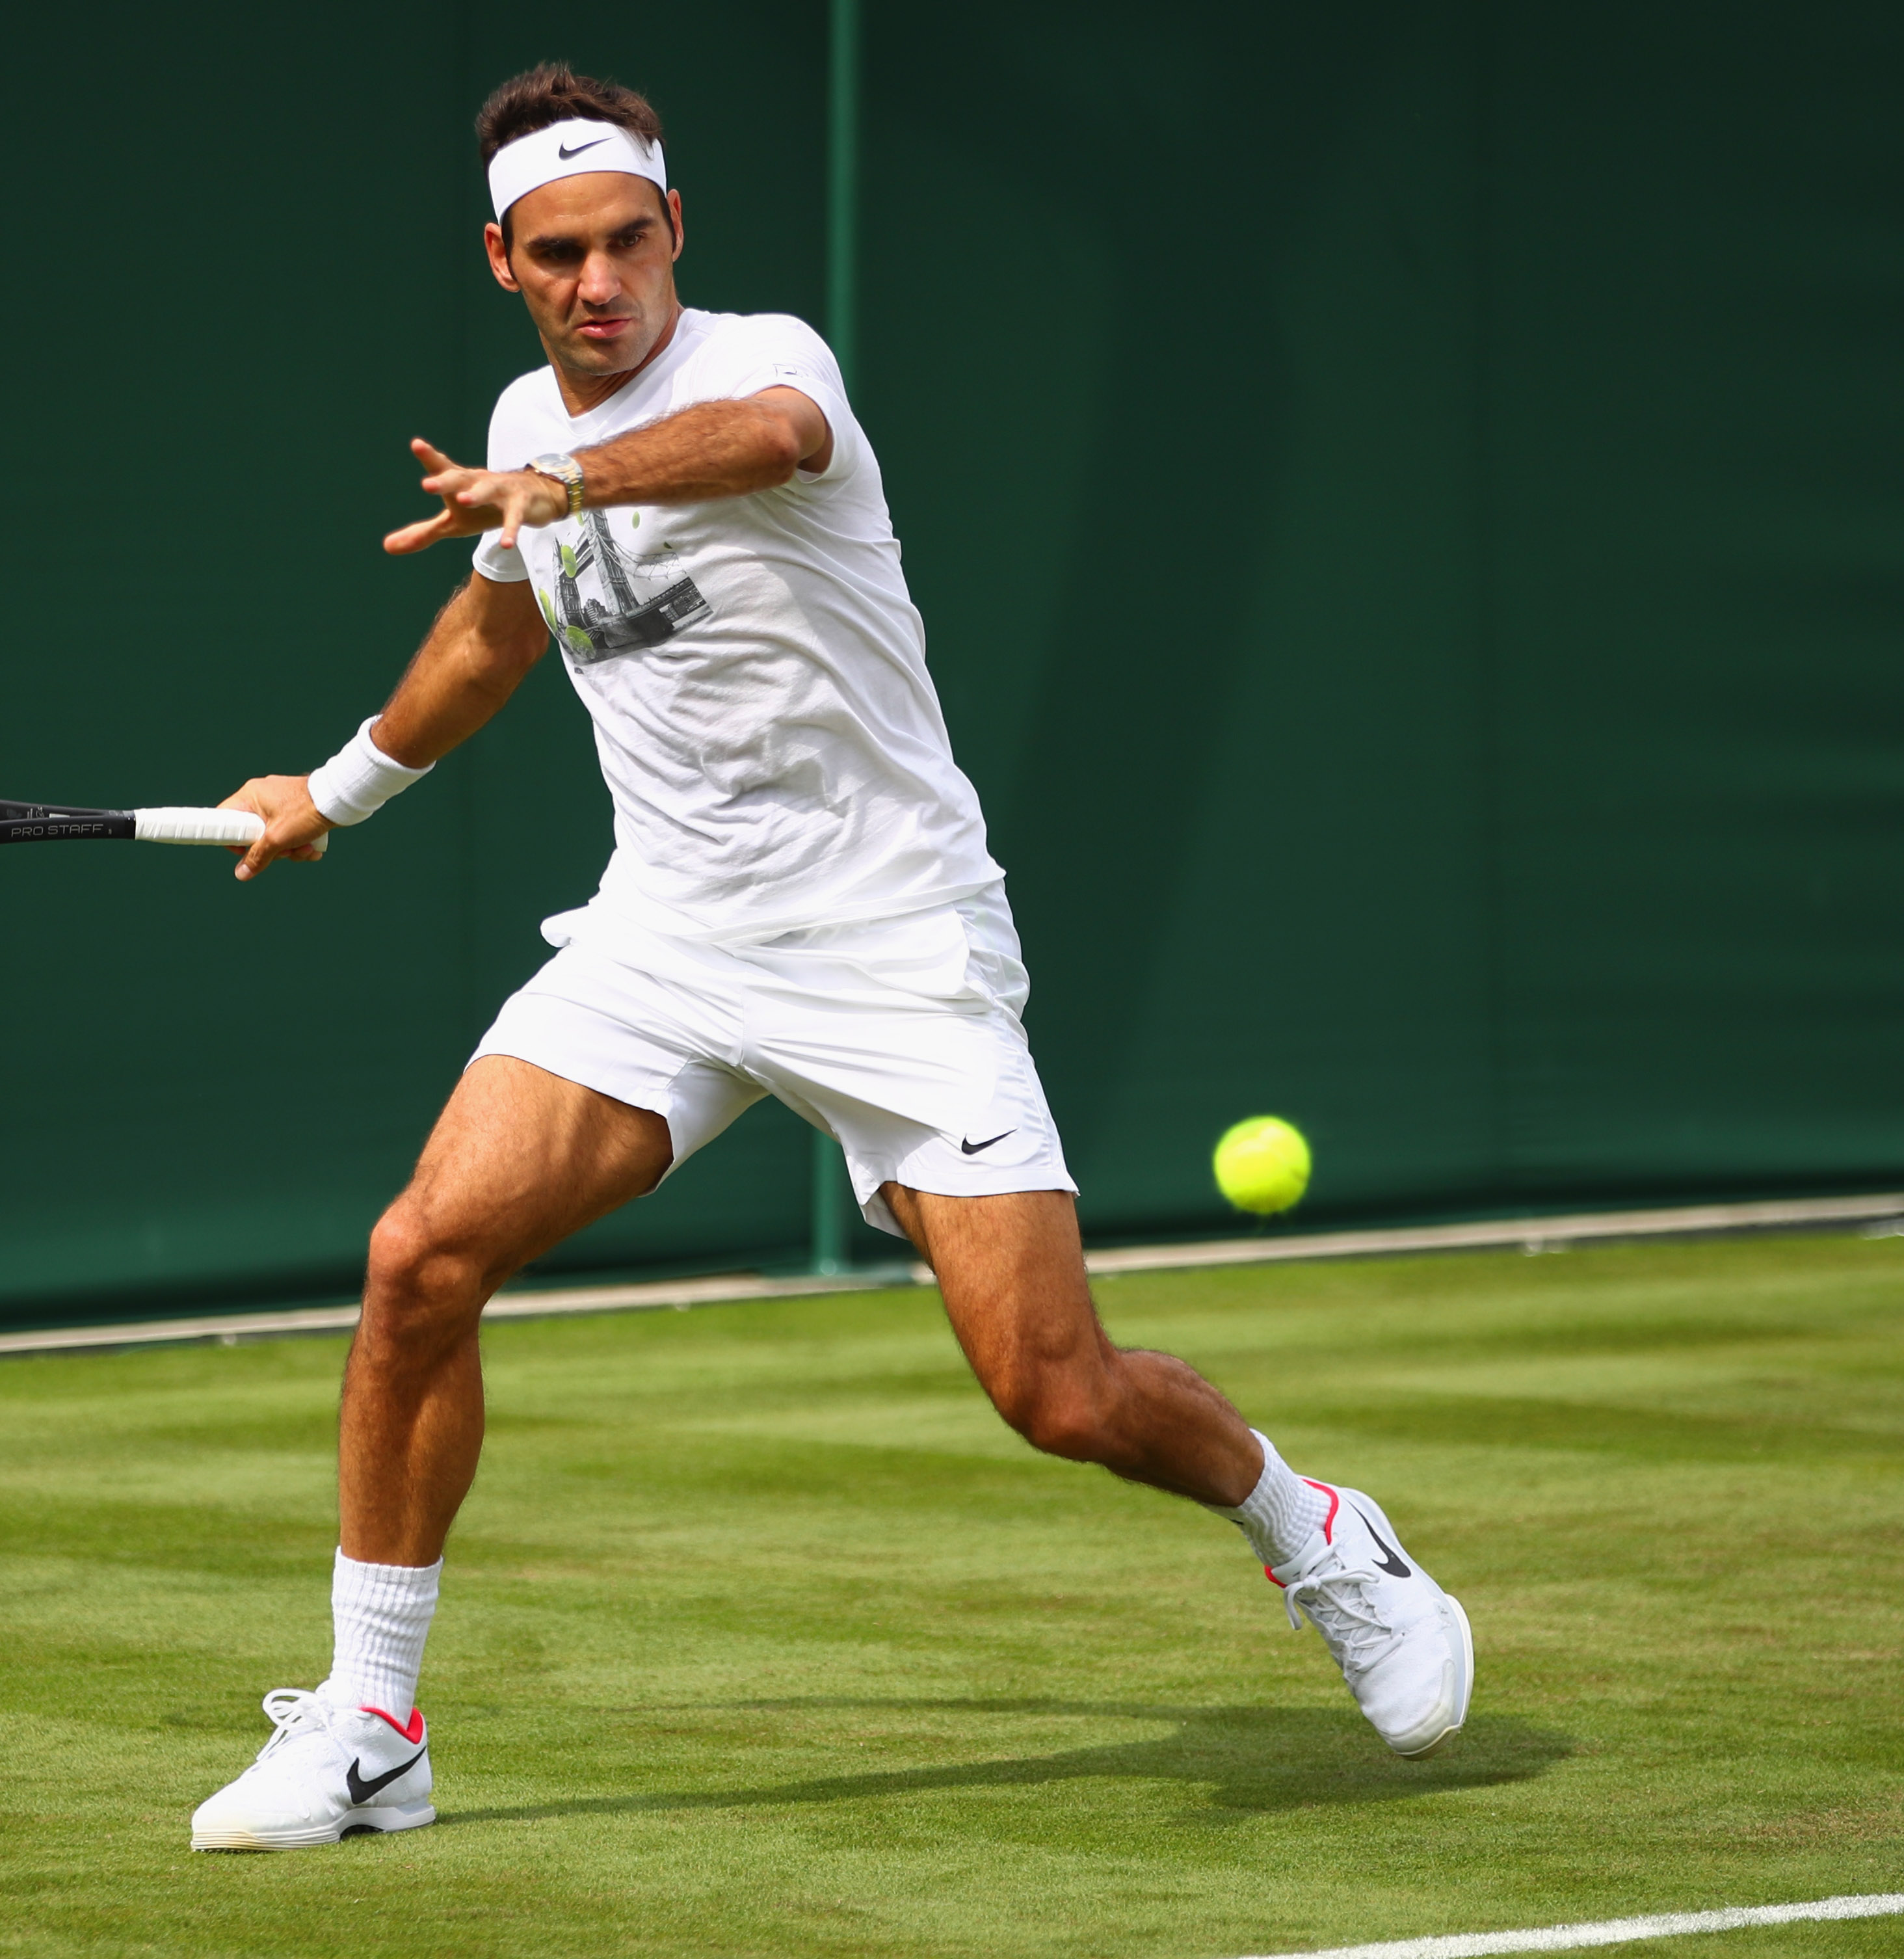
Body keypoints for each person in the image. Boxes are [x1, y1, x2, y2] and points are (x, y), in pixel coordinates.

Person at [187, 63, 1472, 1854]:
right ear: (504, 259)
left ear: (675, 229)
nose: (597, 281)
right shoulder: (516, 423)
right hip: (668, 936)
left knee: (1053, 1388)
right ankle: (374, 1728)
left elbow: (772, 444)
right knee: (420, 1258)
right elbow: (490, 637)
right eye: (556, 253)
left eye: (627, 240)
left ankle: (1321, 1536)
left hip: (890, 941)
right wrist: (333, 791)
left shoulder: (761, 365)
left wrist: (555, 479)